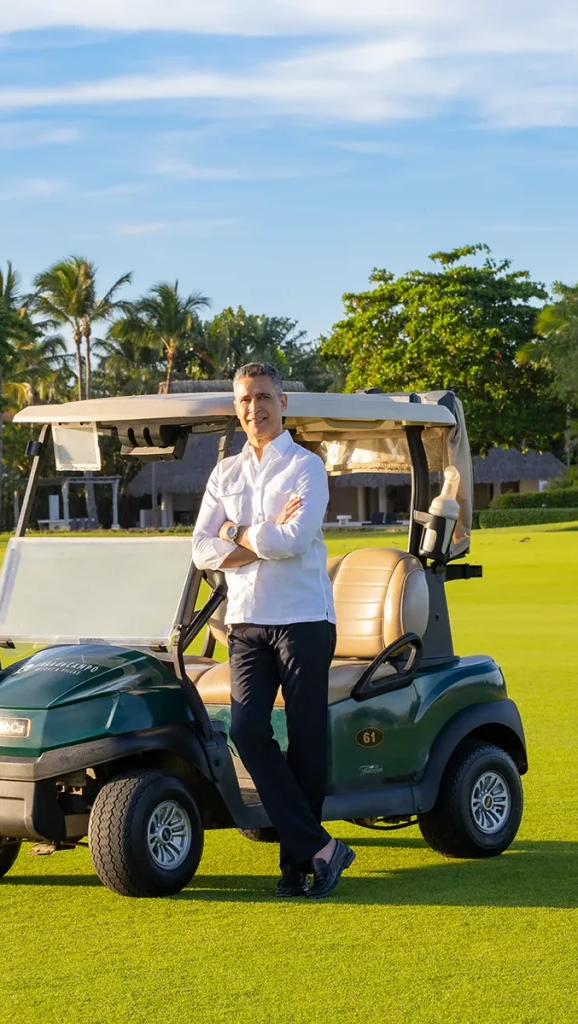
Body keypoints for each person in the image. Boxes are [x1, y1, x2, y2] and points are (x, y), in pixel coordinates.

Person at [192, 363, 356, 899]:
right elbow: (200, 549)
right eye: (244, 399)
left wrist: (235, 532)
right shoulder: (226, 474)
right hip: (246, 623)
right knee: (246, 730)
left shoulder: (307, 467)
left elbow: (295, 538)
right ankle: (323, 849)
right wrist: (260, 534)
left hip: (304, 620)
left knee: (306, 743)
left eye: (263, 397)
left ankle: (298, 866)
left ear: (283, 402)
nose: (253, 407)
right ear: (236, 407)